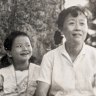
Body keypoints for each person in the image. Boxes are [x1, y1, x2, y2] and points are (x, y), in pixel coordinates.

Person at [35, 5, 96, 96]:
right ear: (61, 29)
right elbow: (41, 93)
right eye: (72, 23)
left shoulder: (94, 55)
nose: (78, 28)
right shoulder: (50, 58)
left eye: (82, 23)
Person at [0, 31, 40, 96]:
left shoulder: (39, 71)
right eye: (19, 46)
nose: (25, 48)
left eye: (28, 45)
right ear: (9, 53)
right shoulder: (2, 74)